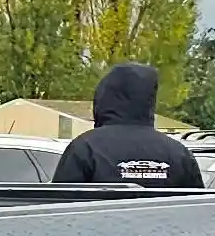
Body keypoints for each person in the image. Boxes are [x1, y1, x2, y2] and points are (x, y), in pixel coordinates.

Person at [53, 62, 206, 187]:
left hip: (98, 224)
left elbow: (56, 210)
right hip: (167, 225)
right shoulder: (179, 155)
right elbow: (198, 213)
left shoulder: (85, 149)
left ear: (104, 96)